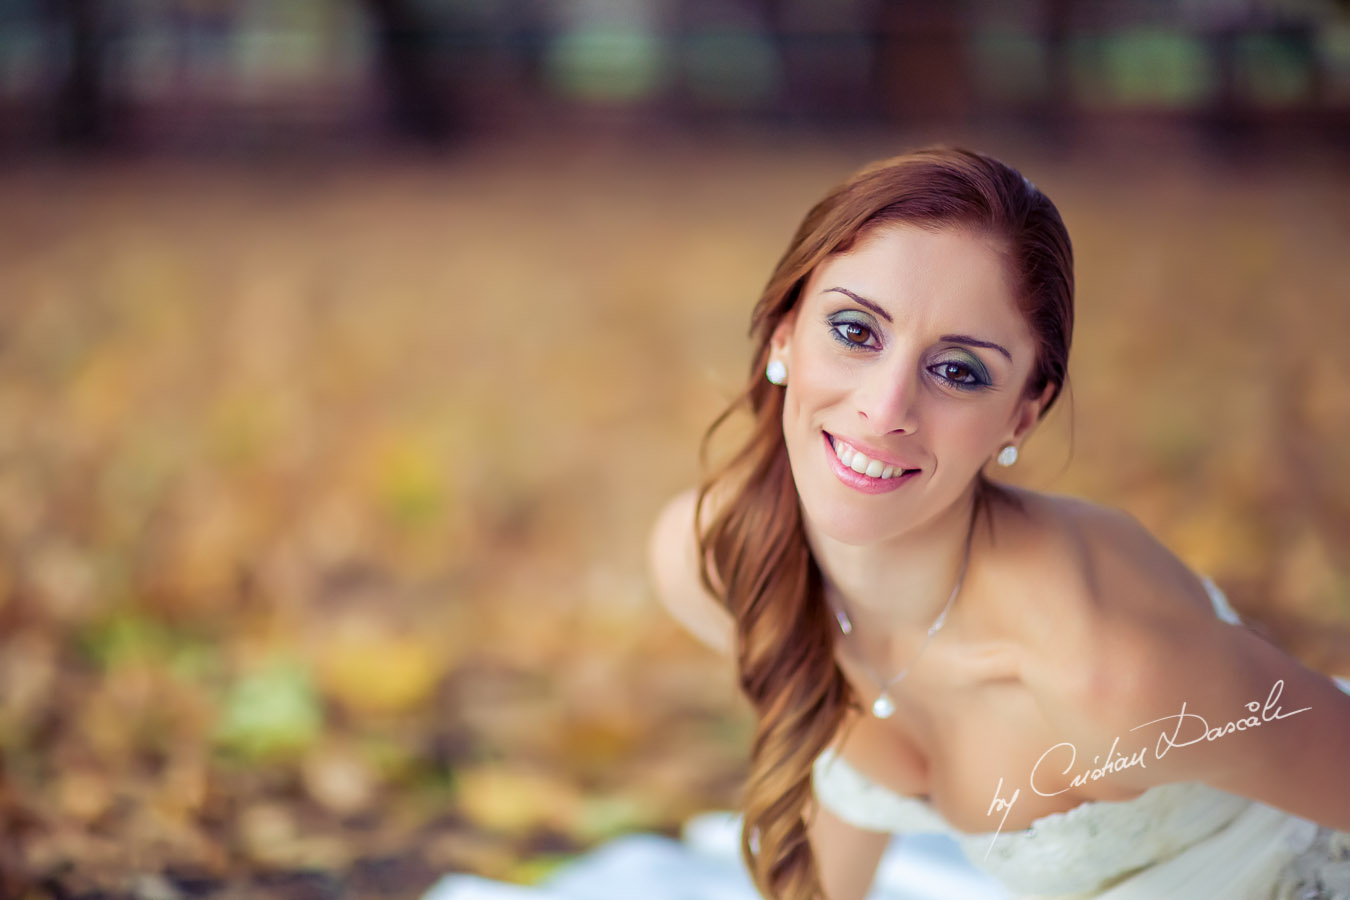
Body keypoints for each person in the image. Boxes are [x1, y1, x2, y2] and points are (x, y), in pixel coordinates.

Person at [643, 145, 1350, 900]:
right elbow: (839, 781)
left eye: (957, 371)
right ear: (784, 334)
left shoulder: (1110, 673)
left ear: (1023, 412)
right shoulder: (719, 562)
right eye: (855, 331)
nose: (884, 411)